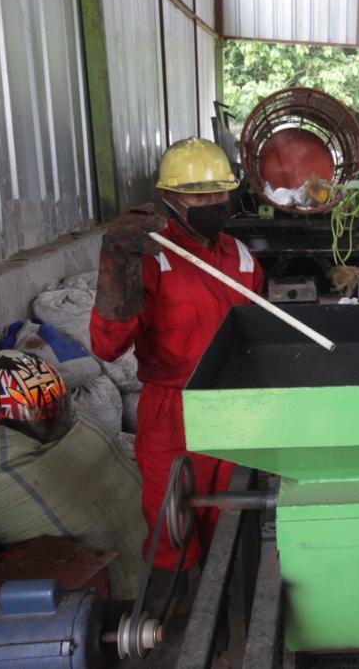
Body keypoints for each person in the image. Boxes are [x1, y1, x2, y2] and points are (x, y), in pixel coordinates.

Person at [89, 137, 264, 607]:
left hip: (234, 412)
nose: (211, 204)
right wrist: (116, 266)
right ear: (169, 198)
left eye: (218, 194)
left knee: (233, 520)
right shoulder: (151, 259)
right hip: (172, 414)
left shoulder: (244, 262)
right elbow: (106, 346)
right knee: (170, 527)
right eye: (197, 196)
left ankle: (232, 611)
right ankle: (170, 620)